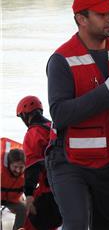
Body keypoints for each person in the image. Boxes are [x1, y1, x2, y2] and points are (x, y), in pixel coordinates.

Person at [46, 0, 109, 230]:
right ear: (81, 19)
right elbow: (59, 114)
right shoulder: (61, 59)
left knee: (106, 226)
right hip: (70, 162)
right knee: (77, 225)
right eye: (101, 14)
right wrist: (106, 92)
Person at [16, 95, 62, 230]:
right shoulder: (54, 126)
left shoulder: (33, 133)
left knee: (29, 225)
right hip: (65, 186)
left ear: (25, 115)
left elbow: (32, 165)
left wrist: (29, 194)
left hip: (48, 189)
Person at [1, 148, 26, 230]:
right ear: (9, 164)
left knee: (23, 208)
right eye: (15, 167)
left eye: (21, 167)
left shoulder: (27, 176)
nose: (18, 170)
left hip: (12, 200)